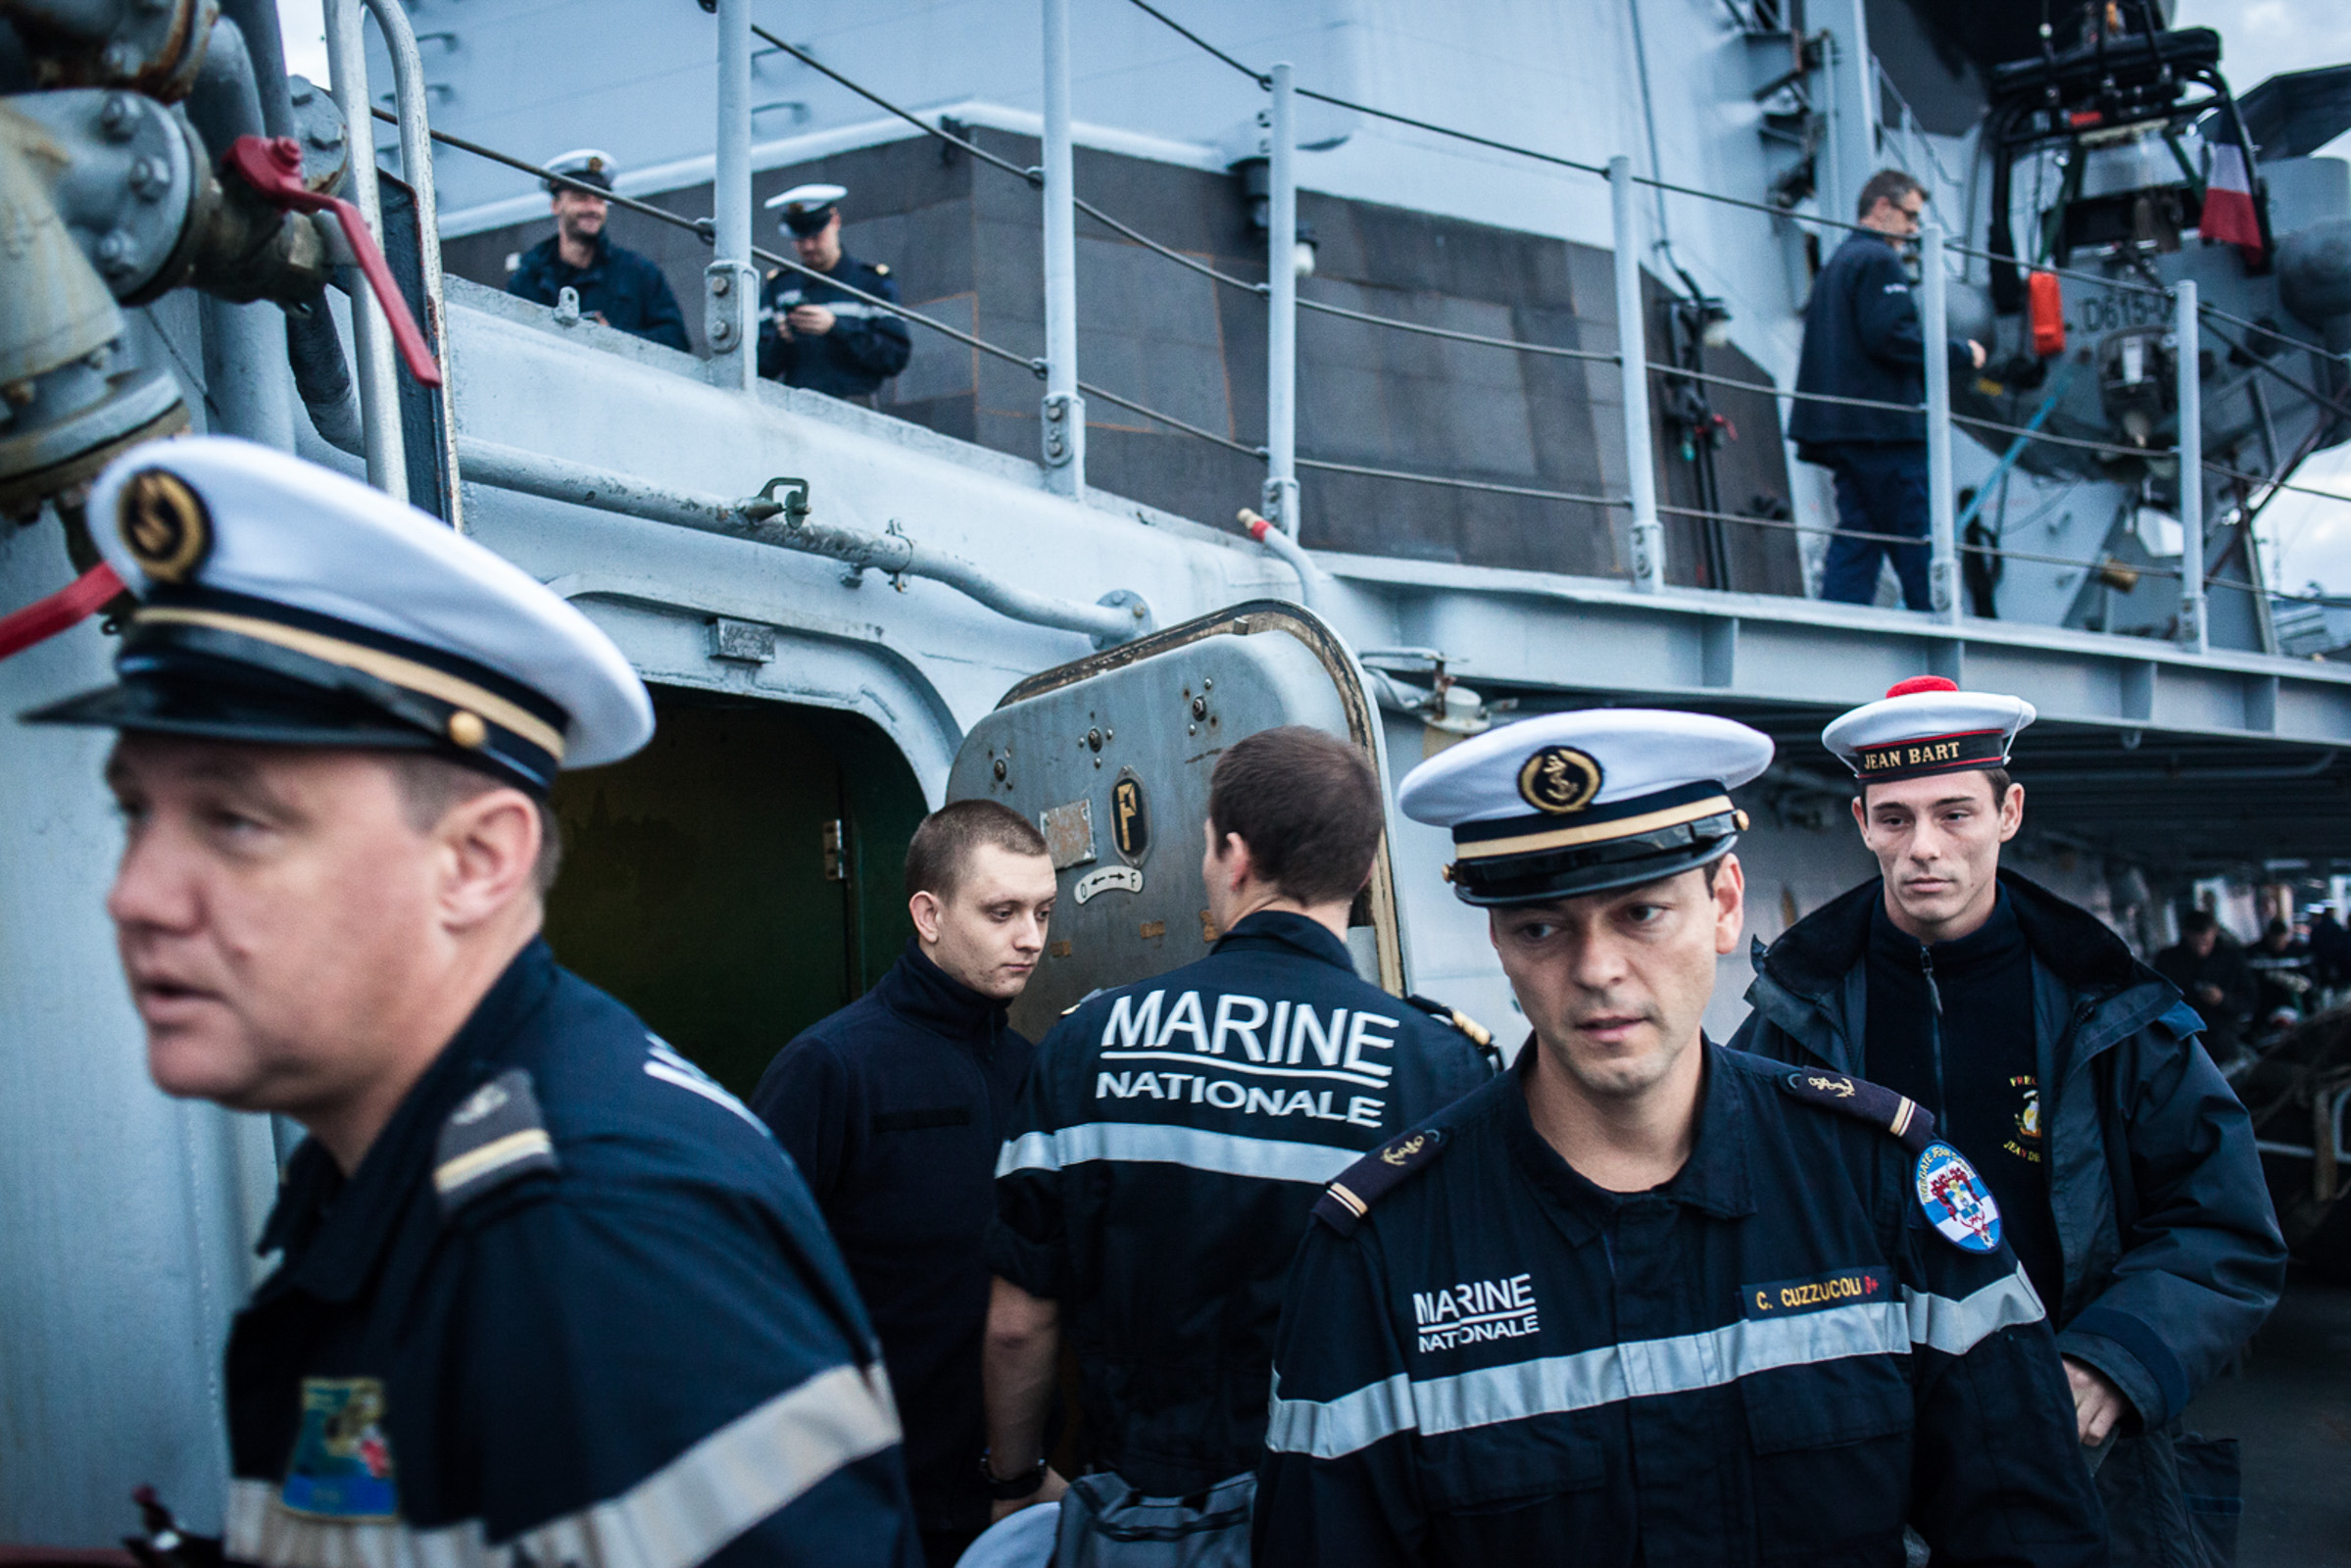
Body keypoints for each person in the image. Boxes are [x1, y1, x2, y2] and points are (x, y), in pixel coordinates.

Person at [24, 437, 920, 1564]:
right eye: (134, 815)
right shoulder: (390, 1161)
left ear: (476, 860)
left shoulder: (600, 1249)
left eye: (237, 821)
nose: (138, 894)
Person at [1255, 709, 2106, 1565]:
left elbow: (2026, 1527)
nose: (1595, 970)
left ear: (1724, 905)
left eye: (1641, 913)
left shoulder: (1883, 1181)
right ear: (1499, 946)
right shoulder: (1380, 1251)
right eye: (1539, 928)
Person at [1735, 676, 2285, 1568]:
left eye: (1955, 813)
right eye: (1895, 818)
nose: (1923, 849)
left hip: (2078, 1446)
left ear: (2009, 811)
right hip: (1867, 1446)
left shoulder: (2117, 1014)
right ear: (1861, 822)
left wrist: (2114, 1359)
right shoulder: (1790, 1019)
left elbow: (2222, 1222)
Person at [983, 726, 1490, 1565]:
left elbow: (1015, 1324)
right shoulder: (1437, 1067)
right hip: (1349, 1518)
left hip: (1131, 1516)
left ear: (1233, 854)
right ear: (1362, 871)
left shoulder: (1086, 1044)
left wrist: (1013, 1480)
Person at [751, 801, 1058, 1568]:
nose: (1030, 938)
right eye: (1002, 912)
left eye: (1043, 911)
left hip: (1010, 1494)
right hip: (870, 1499)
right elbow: (750, 1285)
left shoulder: (1031, 1071)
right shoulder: (832, 1068)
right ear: (928, 914)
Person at [1791, 169, 1987, 611]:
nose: (1914, 231)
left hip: (1842, 426)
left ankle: (1837, 623)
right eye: (1910, 217)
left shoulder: (1837, 264)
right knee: (1914, 532)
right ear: (1882, 209)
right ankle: (1936, 633)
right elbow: (1891, 335)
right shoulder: (1879, 261)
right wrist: (1962, 352)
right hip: (1882, 427)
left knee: (1860, 532)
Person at [507, 149, 691, 351]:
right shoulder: (527, 280)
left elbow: (676, 343)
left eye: (599, 199)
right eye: (580, 197)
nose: (592, 208)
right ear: (555, 205)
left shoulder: (640, 273)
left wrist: (612, 337)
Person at [759, 183, 912, 403]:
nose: (809, 246)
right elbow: (757, 366)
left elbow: (895, 357)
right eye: (800, 239)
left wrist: (836, 327)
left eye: (816, 235)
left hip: (855, 411)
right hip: (797, 411)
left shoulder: (871, 282)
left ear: (835, 221)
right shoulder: (781, 287)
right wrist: (781, 340)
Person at [2153, 910, 2260, 1066]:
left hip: (2223, 1041)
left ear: (2214, 933)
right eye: (2195, 943)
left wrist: (2222, 999)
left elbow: (2250, 1000)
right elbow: (2157, 1000)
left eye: (2205, 943)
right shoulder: (2168, 959)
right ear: (2186, 934)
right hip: (2180, 1041)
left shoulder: (2233, 958)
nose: (2200, 949)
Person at [2242, 917, 2314, 1034]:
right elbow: (2245, 979)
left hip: (2292, 1003)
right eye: (2275, 940)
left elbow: (2309, 979)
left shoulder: (2298, 953)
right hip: (2263, 1005)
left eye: (2282, 940)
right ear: (2269, 936)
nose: (2279, 945)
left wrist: (2295, 981)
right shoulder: (2254, 953)